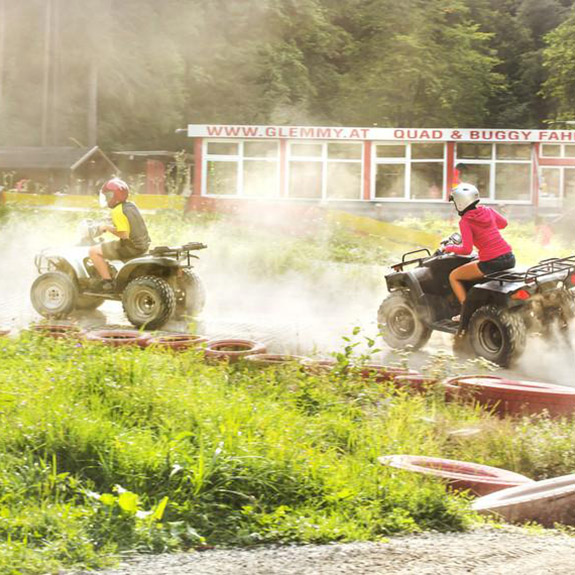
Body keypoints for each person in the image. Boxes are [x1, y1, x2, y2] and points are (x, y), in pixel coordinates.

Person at [443, 183, 515, 321]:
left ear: (460, 203)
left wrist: (449, 248)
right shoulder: (488, 210)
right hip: (509, 257)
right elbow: (503, 224)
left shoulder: (465, 221)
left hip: (492, 262)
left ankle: (465, 312)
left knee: (454, 276)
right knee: (476, 263)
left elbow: (466, 249)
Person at [88, 178, 151, 292]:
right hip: (143, 245)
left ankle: (107, 282)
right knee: (106, 246)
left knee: (93, 251)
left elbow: (124, 234)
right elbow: (128, 222)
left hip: (130, 247)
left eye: (107, 196)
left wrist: (107, 228)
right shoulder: (131, 206)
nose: (106, 199)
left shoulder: (117, 211)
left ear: (114, 196)